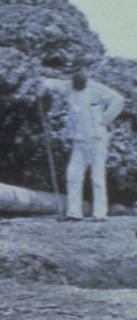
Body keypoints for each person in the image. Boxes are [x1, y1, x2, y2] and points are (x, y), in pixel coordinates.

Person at [41, 70, 125, 220]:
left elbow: (118, 100)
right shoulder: (69, 87)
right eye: (75, 81)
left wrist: (105, 119)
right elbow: (53, 83)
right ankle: (74, 213)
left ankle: (99, 214)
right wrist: (41, 81)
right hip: (79, 140)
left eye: (81, 81)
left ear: (86, 80)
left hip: (96, 139)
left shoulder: (97, 89)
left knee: (97, 176)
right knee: (73, 175)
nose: (77, 84)